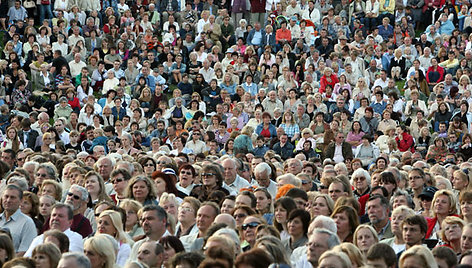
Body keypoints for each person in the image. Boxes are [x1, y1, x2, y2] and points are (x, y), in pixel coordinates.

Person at [0, 184, 37, 255]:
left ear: (20, 201)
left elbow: (25, 252)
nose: (8, 200)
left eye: (12, 197)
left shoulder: (27, 223)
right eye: (6, 196)